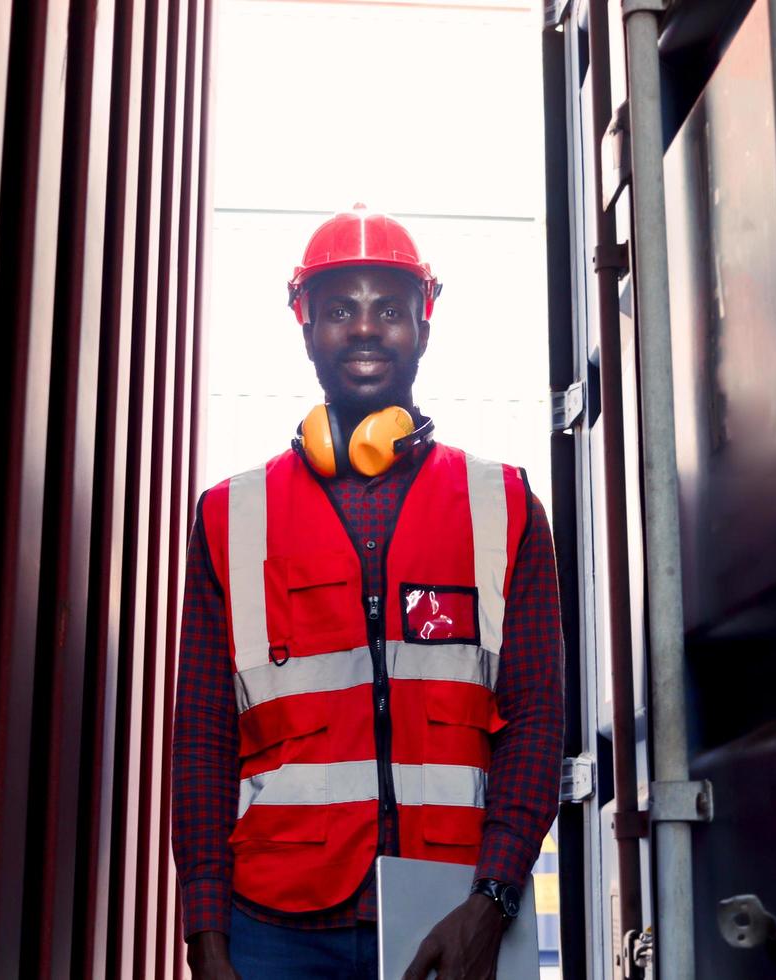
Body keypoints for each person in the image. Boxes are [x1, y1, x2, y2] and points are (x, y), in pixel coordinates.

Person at [171, 205, 563, 979]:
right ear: (304, 324)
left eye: (387, 307)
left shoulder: (506, 505)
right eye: (338, 308)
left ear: (424, 321)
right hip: (271, 929)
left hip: (452, 914)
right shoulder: (228, 516)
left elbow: (538, 722)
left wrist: (492, 902)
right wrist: (206, 939)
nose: (363, 328)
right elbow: (202, 739)